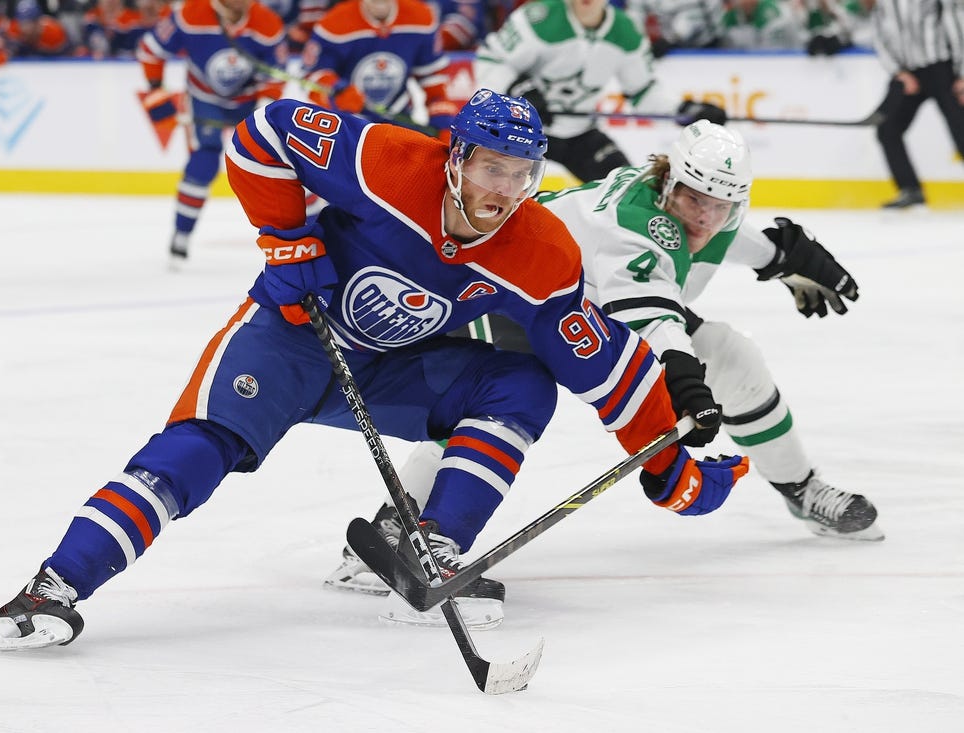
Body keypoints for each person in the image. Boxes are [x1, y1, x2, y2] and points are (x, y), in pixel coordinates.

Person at [0, 89, 749, 652]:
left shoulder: (541, 251)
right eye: (488, 169)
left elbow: (602, 363)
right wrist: (287, 240)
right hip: (287, 335)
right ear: (455, 158)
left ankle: (434, 546)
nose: (502, 192)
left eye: (520, 173)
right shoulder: (385, 161)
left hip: (386, 372)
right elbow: (262, 131)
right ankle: (54, 587)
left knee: (518, 382)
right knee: (194, 455)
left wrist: (670, 460)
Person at [327, 120, 883, 608]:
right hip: (508, 293)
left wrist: (784, 257)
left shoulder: (702, 206)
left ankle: (802, 489)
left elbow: (726, 240)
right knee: (488, 401)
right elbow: (656, 319)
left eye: (722, 206)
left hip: (582, 311)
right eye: (695, 200)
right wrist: (684, 380)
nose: (706, 218)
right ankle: (393, 528)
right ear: (668, 180)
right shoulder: (635, 222)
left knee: (734, 356)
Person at [476, 0, 726, 187]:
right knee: (499, 192)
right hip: (523, 130)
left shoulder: (626, 31)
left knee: (629, 190)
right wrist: (519, 90)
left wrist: (686, 110)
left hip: (579, 134)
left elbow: (643, 92)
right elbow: (490, 60)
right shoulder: (537, 18)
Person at [137, 0, 288, 261]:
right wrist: (156, 89)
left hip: (248, 100)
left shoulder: (268, 23)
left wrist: (266, 101)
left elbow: (276, 72)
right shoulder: (188, 14)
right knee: (204, 160)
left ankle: (297, 234)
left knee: (277, 162)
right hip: (204, 98)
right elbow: (150, 50)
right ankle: (181, 233)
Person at [300, 0, 458, 137]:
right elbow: (311, 76)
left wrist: (443, 122)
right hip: (348, 125)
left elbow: (433, 78)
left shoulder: (422, 18)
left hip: (398, 120)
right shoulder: (333, 24)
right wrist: (337, 92)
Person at [870, 0, 964, 209]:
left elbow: (957, 25)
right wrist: (898, 71)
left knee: (961, 130)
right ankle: (910, 189)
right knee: (887, 129)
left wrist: (962, 74)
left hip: (944, 69)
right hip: (909, 74)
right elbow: (879, 35)